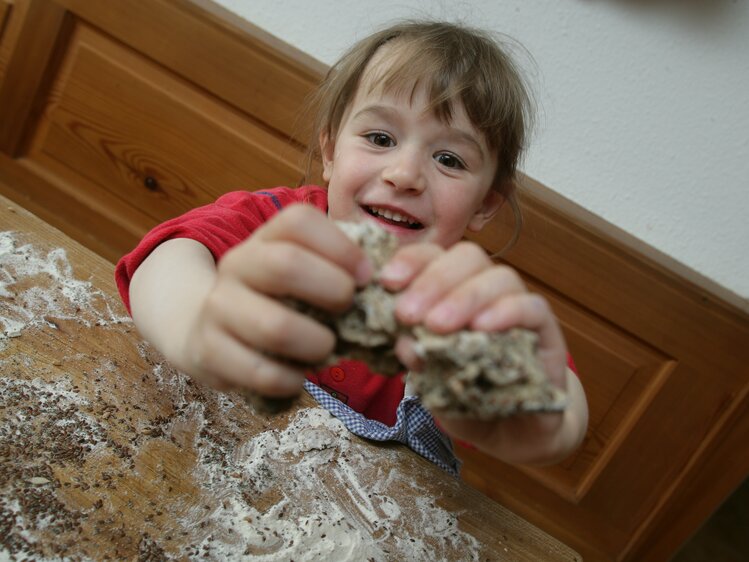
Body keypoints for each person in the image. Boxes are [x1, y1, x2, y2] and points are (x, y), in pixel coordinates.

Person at [116, 20, 588, 475]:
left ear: (485, 205)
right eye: (380, 138)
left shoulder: (466, 304)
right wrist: (195, 329)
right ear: (329, 152)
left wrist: (534, 416)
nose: (403, 174)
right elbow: (169, 260)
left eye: (448, 159)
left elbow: (557, 412)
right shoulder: (275, 225)